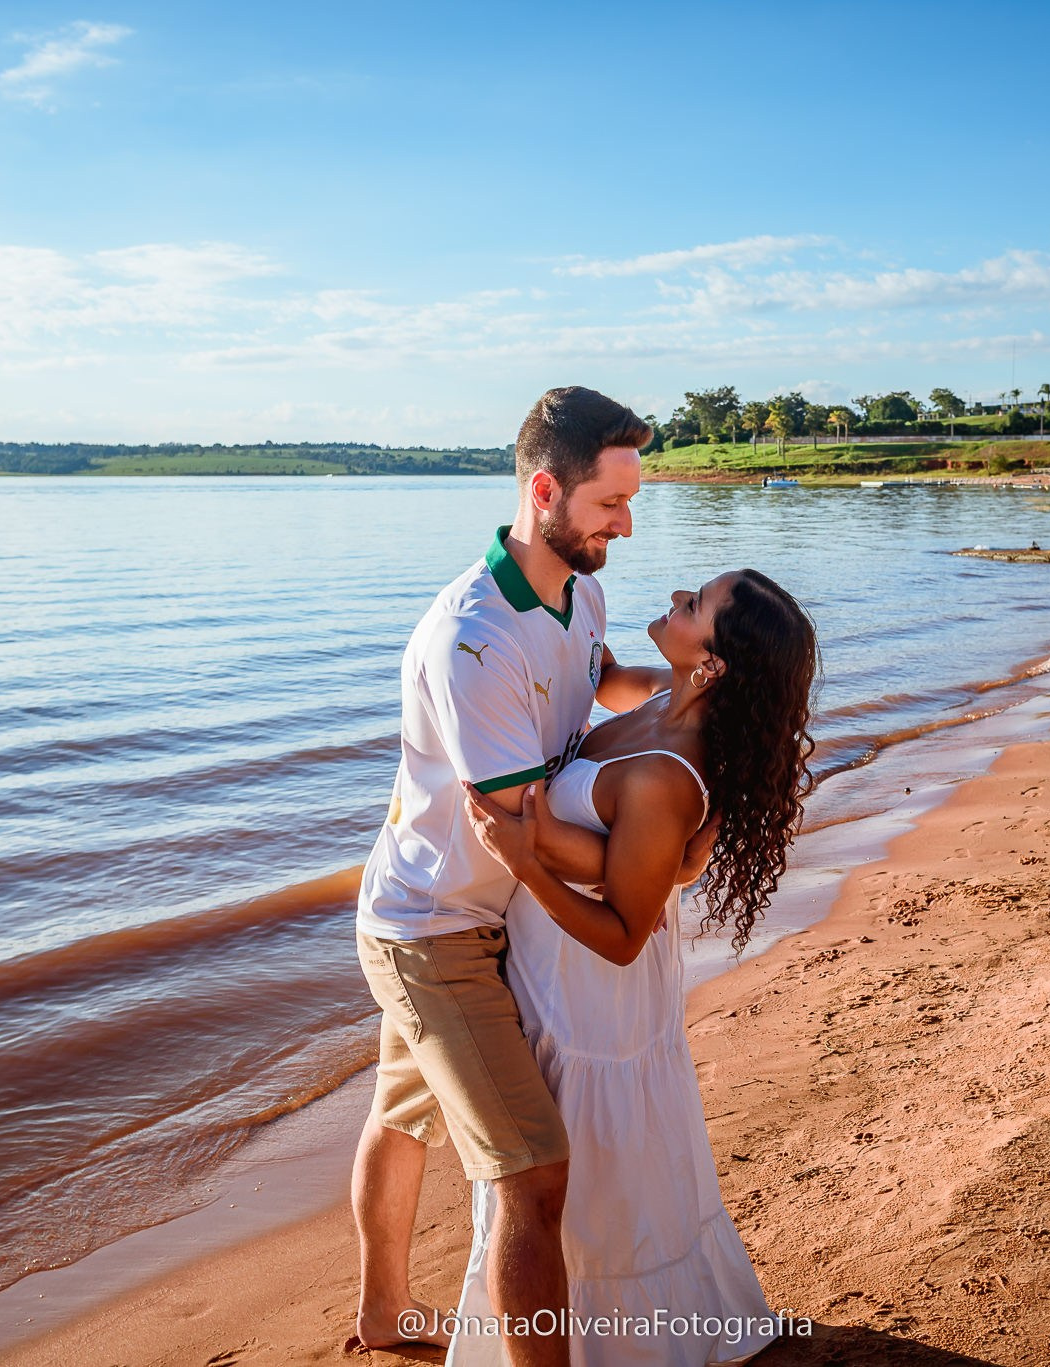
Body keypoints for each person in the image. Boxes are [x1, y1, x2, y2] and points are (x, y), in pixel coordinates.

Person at [350, 386, 701, 1363]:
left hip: (479, 907)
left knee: (400, 1105)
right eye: (608, 506)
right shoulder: (475, 637)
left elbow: (599, 681)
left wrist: (698, 691)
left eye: (630, 503)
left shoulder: (577, 586)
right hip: (434, 928)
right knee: (534, 1174)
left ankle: (381, 1314)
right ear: (544, 490)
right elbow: (523, 829)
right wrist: (658, 863)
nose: (624, 527)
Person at [454, 568, 820, 1366]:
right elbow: (592, 666)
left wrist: (529, 864)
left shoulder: (666, 772)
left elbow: (624, 932)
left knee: (594, 1170)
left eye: (696, 606)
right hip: (555, 967)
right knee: (566, 1164)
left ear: (714, 664)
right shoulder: (659, 691)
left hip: (596, 991)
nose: (680, 597)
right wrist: (554, 586)